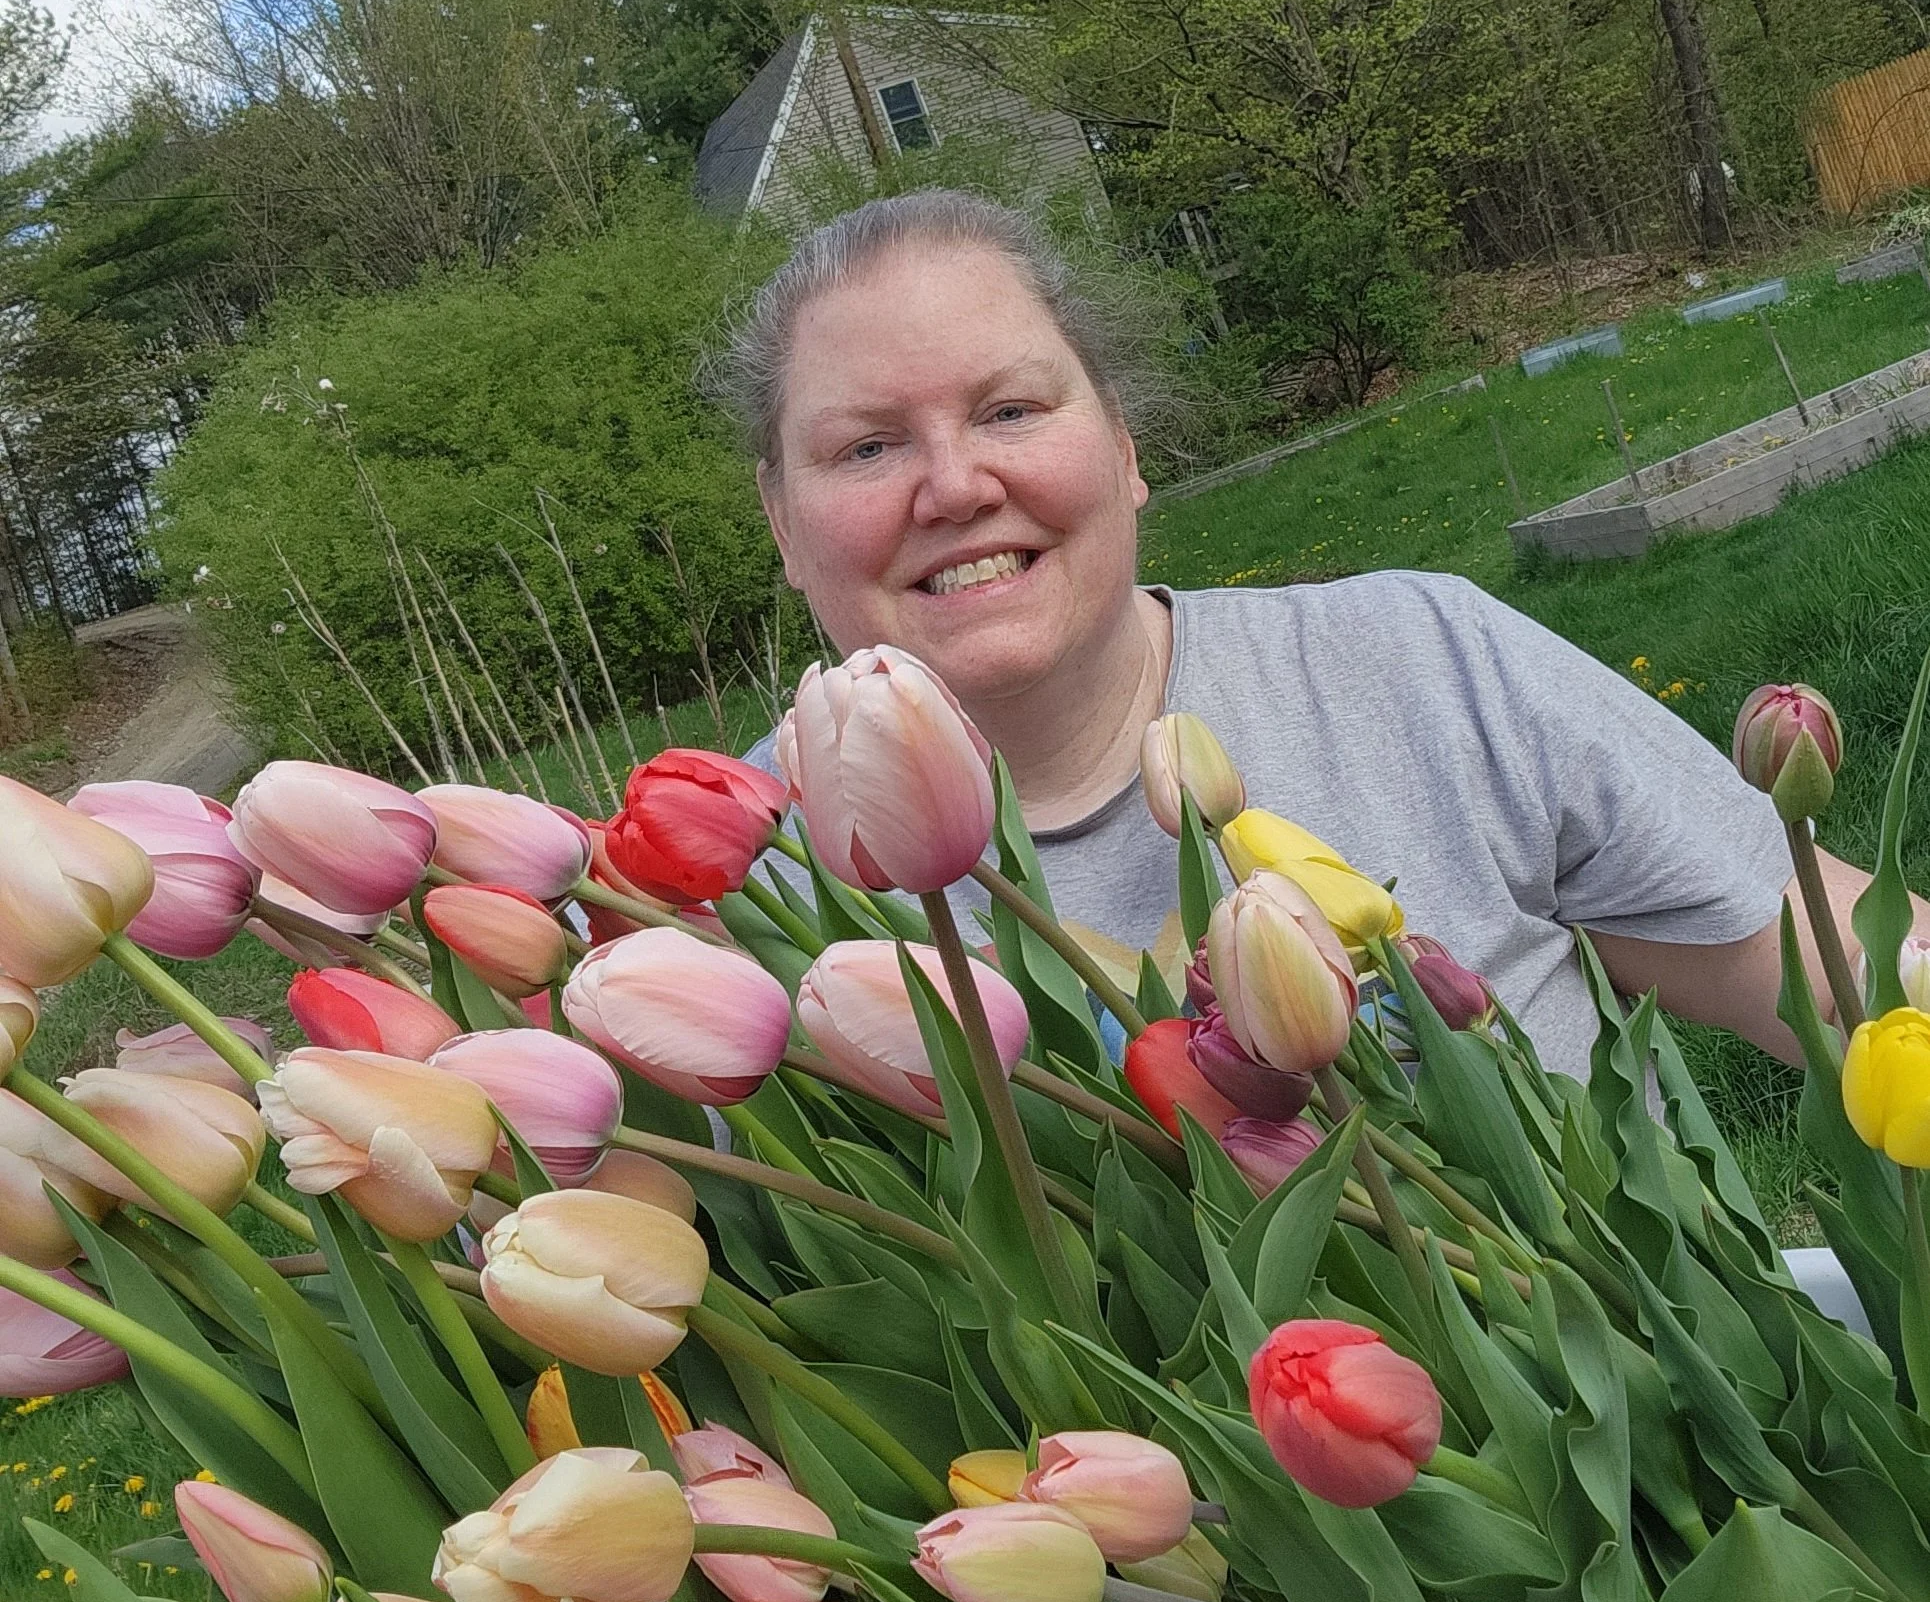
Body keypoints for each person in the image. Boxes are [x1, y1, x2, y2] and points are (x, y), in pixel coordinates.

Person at [716, 187, 1907, 1084]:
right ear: (782, 520)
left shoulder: (1414, 660)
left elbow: (1815, 956)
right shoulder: (727, 888)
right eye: (866, 447)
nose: (954, 484)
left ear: (1123, 448)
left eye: (1010, 409)